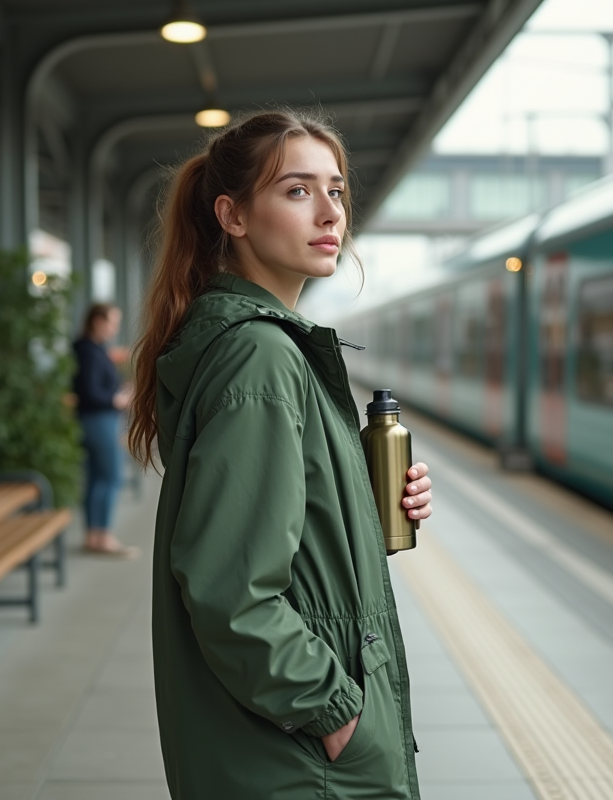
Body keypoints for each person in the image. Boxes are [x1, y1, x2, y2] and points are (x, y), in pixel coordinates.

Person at [127, 110, 433, 799]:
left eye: (337, 190)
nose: (330, 213)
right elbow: (227, 587)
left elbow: (281, 542)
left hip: (288, 752)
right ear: (232, 215)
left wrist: (356, 495)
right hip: (302, 761)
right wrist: (334, 713)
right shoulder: (260, 356)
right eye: (297, 191)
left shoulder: (259, 344)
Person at [72, 303, 140, 557]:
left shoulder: (89, 349)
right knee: (111, 477)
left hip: (93, 420)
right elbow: (89, 392)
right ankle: (105, 537)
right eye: (112, 322)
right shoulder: (90, 352)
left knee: (95, 478)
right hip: (100, 420)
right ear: (97, 322)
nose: (114, 328)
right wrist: (116, 399)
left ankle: (93, 535)